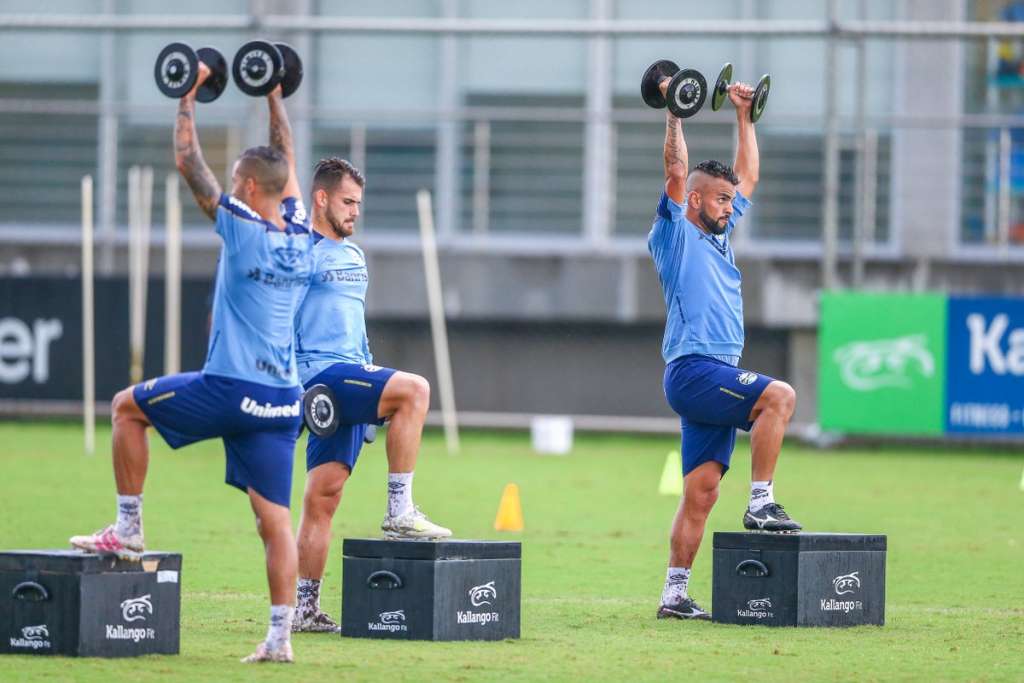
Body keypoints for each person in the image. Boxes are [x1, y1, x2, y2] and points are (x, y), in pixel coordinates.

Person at [69, 65, 312, 663]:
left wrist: (187, 95)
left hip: (230, 388)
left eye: (237, 179)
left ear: (251, 189)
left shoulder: (244, 229)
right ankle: (280, 637)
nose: (230, 183)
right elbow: (287, 159)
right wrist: (272, 92)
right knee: (273, 522)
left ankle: (128, 526)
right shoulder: (303, 235)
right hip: (282, 403)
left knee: (127, 408)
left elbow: (188, 164)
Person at [648, 79, 802, 621]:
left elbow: (750, 173)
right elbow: (673, 169)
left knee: (702, 492)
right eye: (720, 197)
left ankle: (674, 593)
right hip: (693, 371)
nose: (729, 205)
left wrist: (744, 116)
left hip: (715, 374)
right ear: (694, 199)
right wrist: (676, 113)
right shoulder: (675, 234)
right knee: (778, 398)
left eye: (730, 200)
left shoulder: (720, 232)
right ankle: (761, 503)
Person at [289, 157, 453, 633]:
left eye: (359, 203)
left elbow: (357, 335)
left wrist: (368, 410)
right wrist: (299, 390)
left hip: (350, 379)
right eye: (347, 201)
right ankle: (399, 509)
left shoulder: (355, 255)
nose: (355, 211)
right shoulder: (300, 253)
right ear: (321, 199)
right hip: (319, 377)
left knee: (325, 496)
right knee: (415, 390)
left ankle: (305, 609)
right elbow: (279, 324)